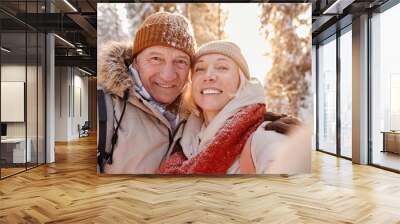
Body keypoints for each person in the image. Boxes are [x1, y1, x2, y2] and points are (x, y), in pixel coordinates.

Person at [98, 12, 299, 174]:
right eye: (156, 58)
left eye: (180, 62)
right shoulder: (106, 108)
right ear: (135, 61)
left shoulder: (264, 138)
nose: (168, 75)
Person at [159, 40, 311, 174]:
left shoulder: (264, 137)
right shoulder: (183, 143)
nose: (209, 75)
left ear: (241, 81)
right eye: (200, 69)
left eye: (222, 67)